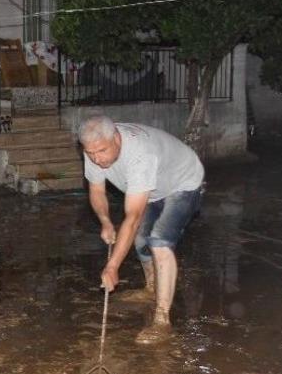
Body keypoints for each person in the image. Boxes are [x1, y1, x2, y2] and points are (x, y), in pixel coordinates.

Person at [79, 115, 204, 344]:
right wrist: (106, 222)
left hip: (182, 183)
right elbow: (96, 190)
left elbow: (133, 217)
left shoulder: (140, 154)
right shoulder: (94, 148)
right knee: (140, 239)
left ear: (116, 138)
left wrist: (112, 266)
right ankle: (151, 288)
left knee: (159, 240)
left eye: (102, 151)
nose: (97, 159)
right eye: (91, 153)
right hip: (151, 189)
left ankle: (162, 320)